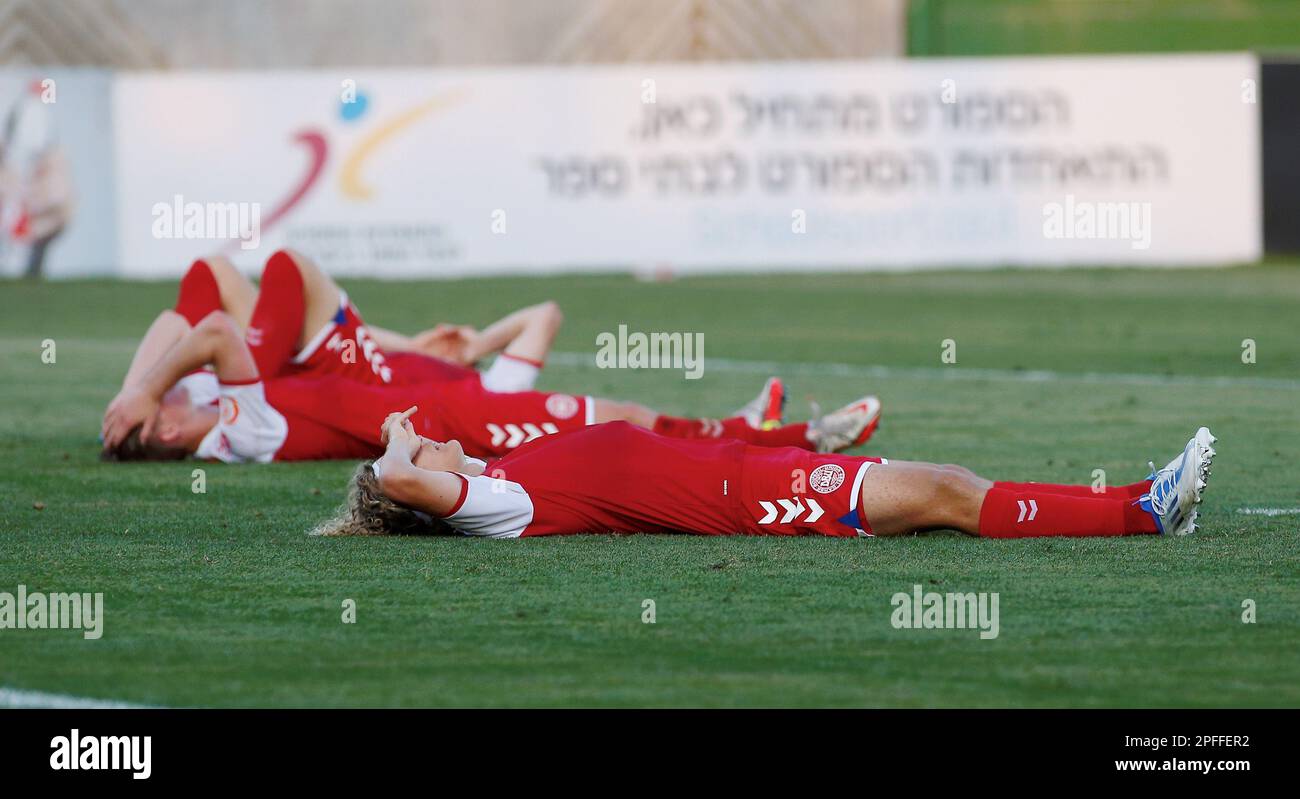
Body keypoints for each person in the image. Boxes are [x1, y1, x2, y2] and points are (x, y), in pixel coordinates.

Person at [100, 301, 881, 462]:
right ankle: (800, 443)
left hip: (469, 407)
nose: (181, 386)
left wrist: (139, 389)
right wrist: (140, 389)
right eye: (168, 400)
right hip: (474, 422)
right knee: (631, 424)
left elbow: (181, 322)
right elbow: (205, 332)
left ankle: (788, 434)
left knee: (634, 416)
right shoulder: (244, 424)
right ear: (169, 427)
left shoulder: (223, 412)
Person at [313, 405, 1216, 540]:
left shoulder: (504, 471)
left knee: (947, 483)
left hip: (757, 468)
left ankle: (1138, 503)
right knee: (946, 487)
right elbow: (398, 481)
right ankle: (1143, 508)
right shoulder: (493, 503)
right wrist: (392, 439)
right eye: (420, 445)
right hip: (755, 501)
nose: (425, 439)